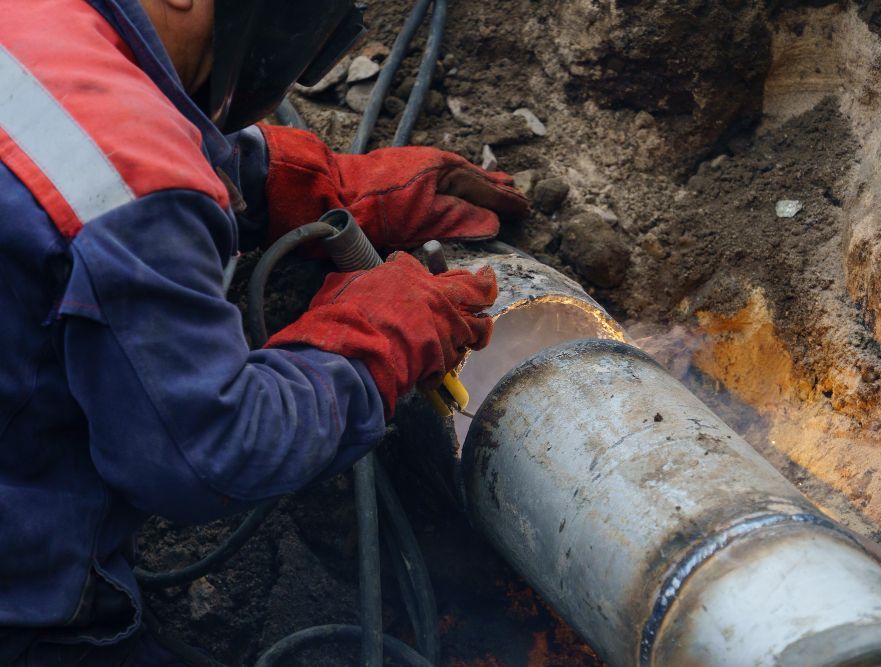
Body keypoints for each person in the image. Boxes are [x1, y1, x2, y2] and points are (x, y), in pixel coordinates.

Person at [0, 0, 529, 663]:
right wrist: (372, 341)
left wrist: (273, 176)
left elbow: (62, 144)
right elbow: (210, 453)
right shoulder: (129, 184)